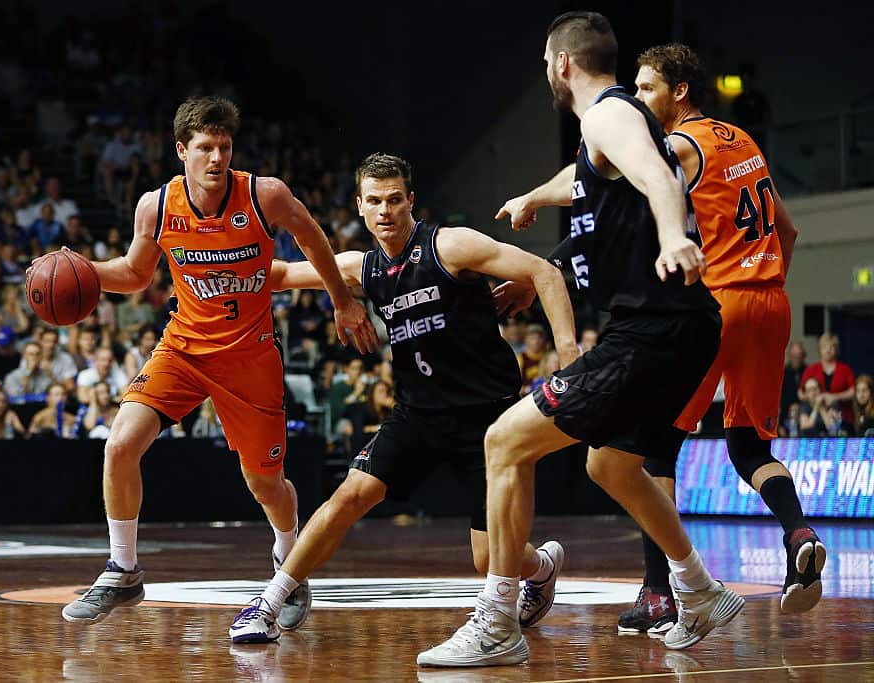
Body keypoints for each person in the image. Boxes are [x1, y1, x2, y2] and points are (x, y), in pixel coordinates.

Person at [421, 13, 743, 667]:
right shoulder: (603, 134)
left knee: (504, 442)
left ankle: (498, 620)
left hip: (651, 330)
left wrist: (676, 232)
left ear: (563, 63)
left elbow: (653, 172)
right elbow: (591, 180)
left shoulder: (605, 114)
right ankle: (697, 587)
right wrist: (533, 198)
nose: (545, 70)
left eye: (546, 60)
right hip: (681, 328)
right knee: (609, 464)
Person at [41, 96, 374, 626]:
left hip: (250, 356)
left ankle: (289, 560)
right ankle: (123, 569)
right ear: (182, 151)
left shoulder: (264, 195)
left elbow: (311, 239)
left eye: (224, 147)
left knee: (265, 483)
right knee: (120, 444)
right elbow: (134, 273)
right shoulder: (156, 206)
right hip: (185, 347)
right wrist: (81, 269)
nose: (216, 158)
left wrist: (340, 299)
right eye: (204, 148)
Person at [228, 153, 576, 644]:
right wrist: (209, 263)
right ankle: (270, 601)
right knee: (351, 493)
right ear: (360, 207)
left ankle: (540, 568)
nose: (385, 210)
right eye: (374, 201)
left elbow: (544, 272)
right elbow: (281, 274)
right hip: (417, 415)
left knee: (488, 559)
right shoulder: (363, 267)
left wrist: (569, 357)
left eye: (394, 199)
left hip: (488, 421)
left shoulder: (450, 246)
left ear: (411, 201)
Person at [592, 42, 824, 633]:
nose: (639, 100)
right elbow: (789, 231)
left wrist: (531, 198)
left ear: (680, 92)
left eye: (647, 89)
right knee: (749, 449)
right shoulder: (744, 141)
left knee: (654, 449)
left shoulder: (679, 145)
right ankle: (798, 534)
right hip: (772, 301)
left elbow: (605, 170)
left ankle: (659, 593)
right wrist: (762, 297)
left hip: (719, 305)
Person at [799, 333, 856, 432]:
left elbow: (853, 391)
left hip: (842, 416)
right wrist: (815, 399)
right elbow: (800, 393)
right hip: (815, 416)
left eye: (832, 347)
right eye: (825, 347)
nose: (828, 350)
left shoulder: (845, 369)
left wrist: (834, 397)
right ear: (819, 349)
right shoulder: (811, 369)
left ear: (836, 350)